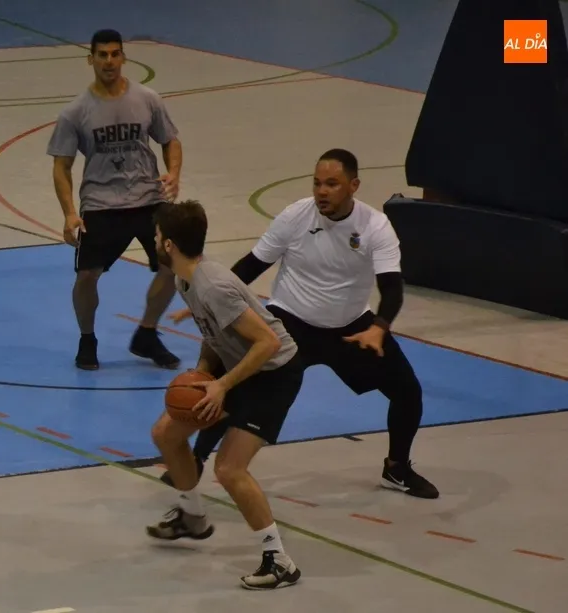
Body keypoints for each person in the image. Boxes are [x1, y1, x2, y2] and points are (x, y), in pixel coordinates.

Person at [161, 149, 439, 500]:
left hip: (352, 329)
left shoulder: (375, 226)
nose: (322, 191)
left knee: (408, 392)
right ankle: (197, 459)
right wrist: (208, 298)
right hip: (289, 322)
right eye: (317, 183)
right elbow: (252, 264)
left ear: (354, 186)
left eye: (332, 184)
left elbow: (392, 287)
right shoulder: (295, 215)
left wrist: (379, 327)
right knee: (228, 384)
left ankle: (397, 468)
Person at [146, 200, 304, 590]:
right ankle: (192, 517)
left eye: (156, 235)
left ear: (169, 245)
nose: (154, 239)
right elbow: (214, 333)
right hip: (238, 368)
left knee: (230, 468)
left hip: (273, 375)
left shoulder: (213, 286)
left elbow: (267, 343)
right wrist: (204, 371)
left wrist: (222, 385)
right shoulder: (185, 279)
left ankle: (279, 561)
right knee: (166, 434)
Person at [46, 28, 183, 371]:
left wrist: (173, 173)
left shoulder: (147, 98)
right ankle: (87, 339)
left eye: (115, 54)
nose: (109, 61)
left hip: (148, 198)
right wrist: (69, 213)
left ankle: (147, 333)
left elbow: (170, 139)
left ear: (123, 57)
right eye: (102, 55)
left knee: (175, 266)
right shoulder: (75, 111)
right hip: (101, 203)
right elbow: (61, 167)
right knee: (86, 276)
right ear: (90, 59)